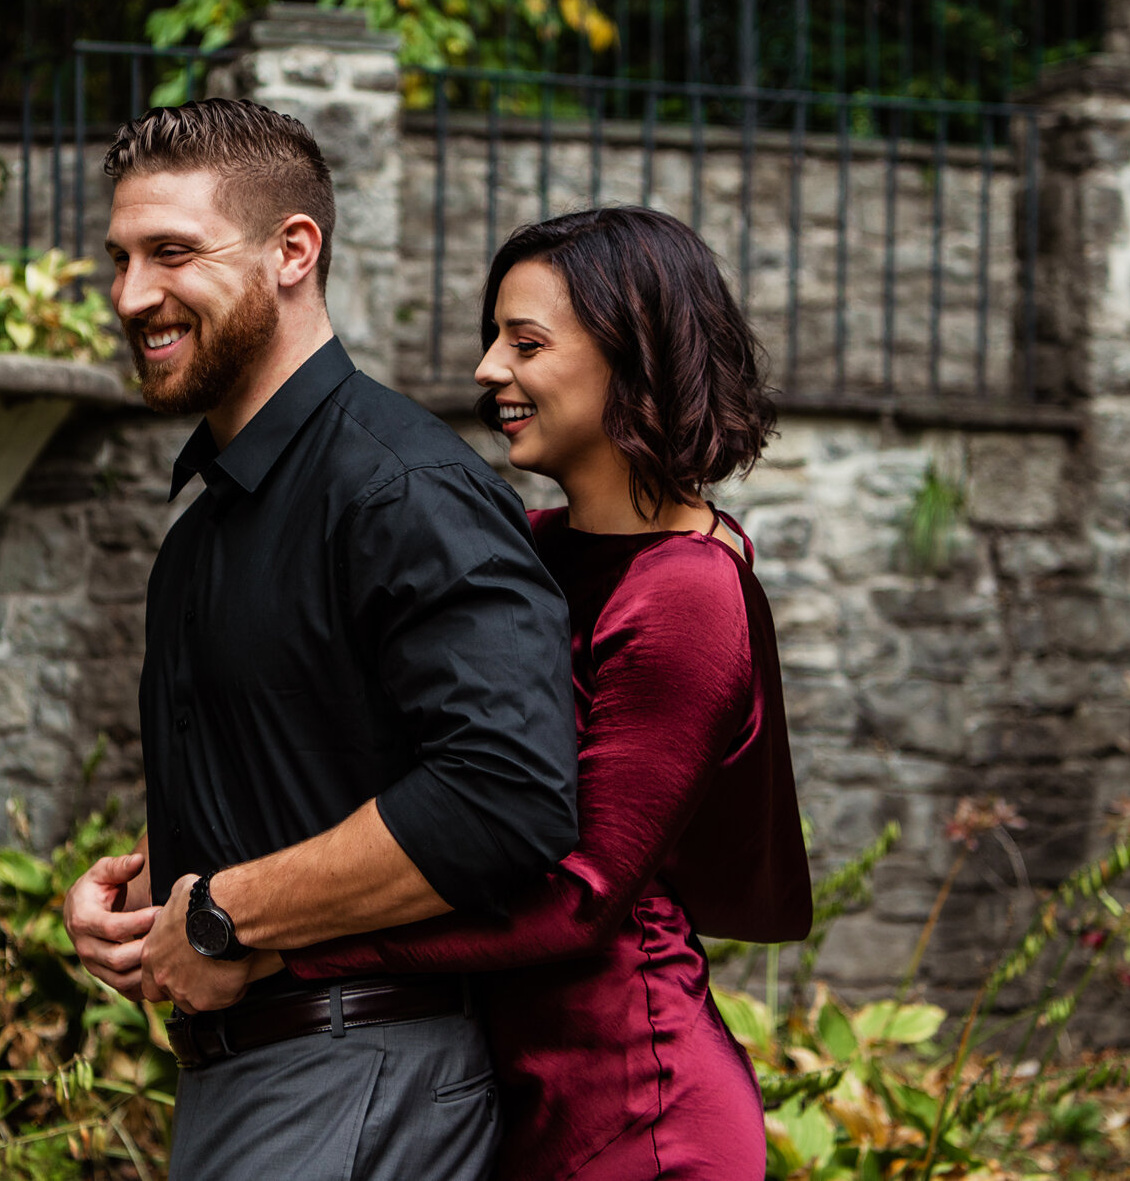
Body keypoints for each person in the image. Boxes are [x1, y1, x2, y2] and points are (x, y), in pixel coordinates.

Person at [64, 98, 580, 1180]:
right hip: (256, 1081)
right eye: (118, 257)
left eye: (170, 252)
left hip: (360, 1067)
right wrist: (148, 901)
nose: (130, 295)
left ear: (293, 250)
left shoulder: (398, 486)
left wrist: (218, 915)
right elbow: (315, 772)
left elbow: (505, 792)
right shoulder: (206, 525)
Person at [263, 206, 813, 1180]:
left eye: (524, 342)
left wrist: (288, 945)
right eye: (492, 337)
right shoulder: (531, 552)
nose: (485, 370)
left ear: (633, 356)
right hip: (513, 1089)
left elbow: (578, 902)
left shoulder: (687, 591)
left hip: (638, 1109)